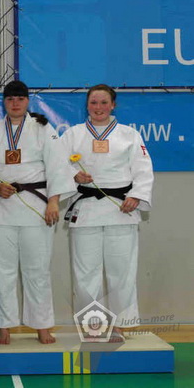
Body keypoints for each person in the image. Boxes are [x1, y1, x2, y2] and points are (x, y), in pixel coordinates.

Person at [0, 81, 76, 345]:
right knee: (0, 270)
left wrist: (53, 202)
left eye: (20, 99)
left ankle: (41, 325)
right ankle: (3, 325)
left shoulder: (43, 129)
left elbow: (57, 165)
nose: (15, 103)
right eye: (10, 99)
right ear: (3, 102)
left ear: (28, 101)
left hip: (36, 206)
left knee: (37, 269)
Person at [61, 84, 153, 342]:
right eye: (93, 103)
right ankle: (93, 326)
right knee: (85, 274)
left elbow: (143, 169)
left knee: (122, 271)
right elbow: (57, 166)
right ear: (86, 105)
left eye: (103, 103)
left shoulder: (129, 135)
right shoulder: (73, 135)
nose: (98, 108)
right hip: (86, 210)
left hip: (121, 209)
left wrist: (136, 195)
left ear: (113, 105)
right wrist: (74, 175)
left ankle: (121, 324)